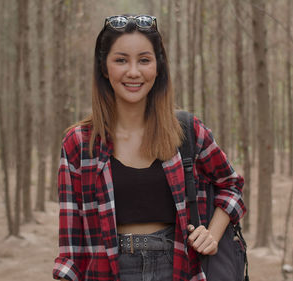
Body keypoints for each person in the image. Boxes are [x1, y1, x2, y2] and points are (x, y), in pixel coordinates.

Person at [52, 14, 245, 281]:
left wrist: (212, 233)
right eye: (121, 60)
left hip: (177, 266)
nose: (133, 71)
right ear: (105, 68)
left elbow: (231, 185)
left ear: (158, 67)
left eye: (144, 60)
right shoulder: (79, 143)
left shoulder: (187, 131)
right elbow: (71, 250)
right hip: (107, 270)